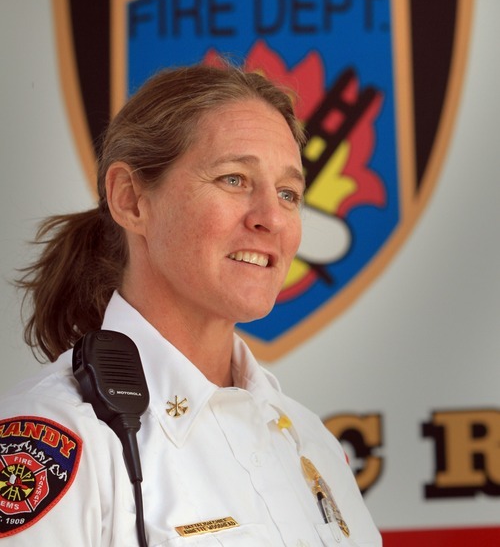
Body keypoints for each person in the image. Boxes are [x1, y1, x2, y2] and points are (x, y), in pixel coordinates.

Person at [0, 63, 382, 546]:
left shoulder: (311, 444)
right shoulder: (54, 439)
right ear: (131, 199)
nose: (271, 218)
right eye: (234, 179)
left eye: (288, 193)